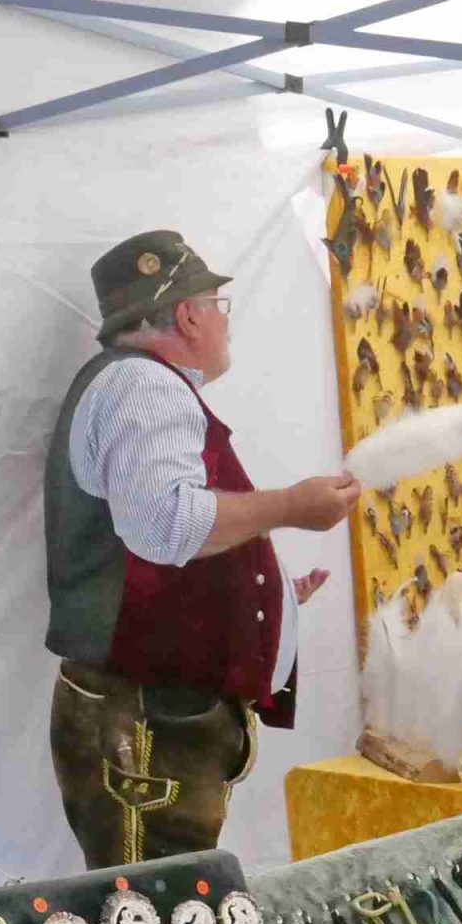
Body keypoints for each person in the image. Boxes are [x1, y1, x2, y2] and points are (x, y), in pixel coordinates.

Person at [43, 230, 361, 869]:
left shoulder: (134, 382)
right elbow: (165, 525)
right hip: (146, 719)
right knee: (152, 908)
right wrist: (292, 506)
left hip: (151, 713)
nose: (224, 321)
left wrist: (265, 594)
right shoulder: (144, 385)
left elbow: (158, 536)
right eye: (218, 306)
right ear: (188, 315)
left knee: (158, 902)